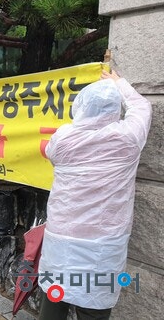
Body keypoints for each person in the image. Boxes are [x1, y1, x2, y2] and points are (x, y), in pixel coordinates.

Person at [38, 70, 152, 320]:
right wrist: (118, 83)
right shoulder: (128, 138)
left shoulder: (63, 139)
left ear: (80, 107)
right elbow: (142, 107)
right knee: (94, 306)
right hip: (105, 242)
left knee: (54, 299)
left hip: (62, 237)